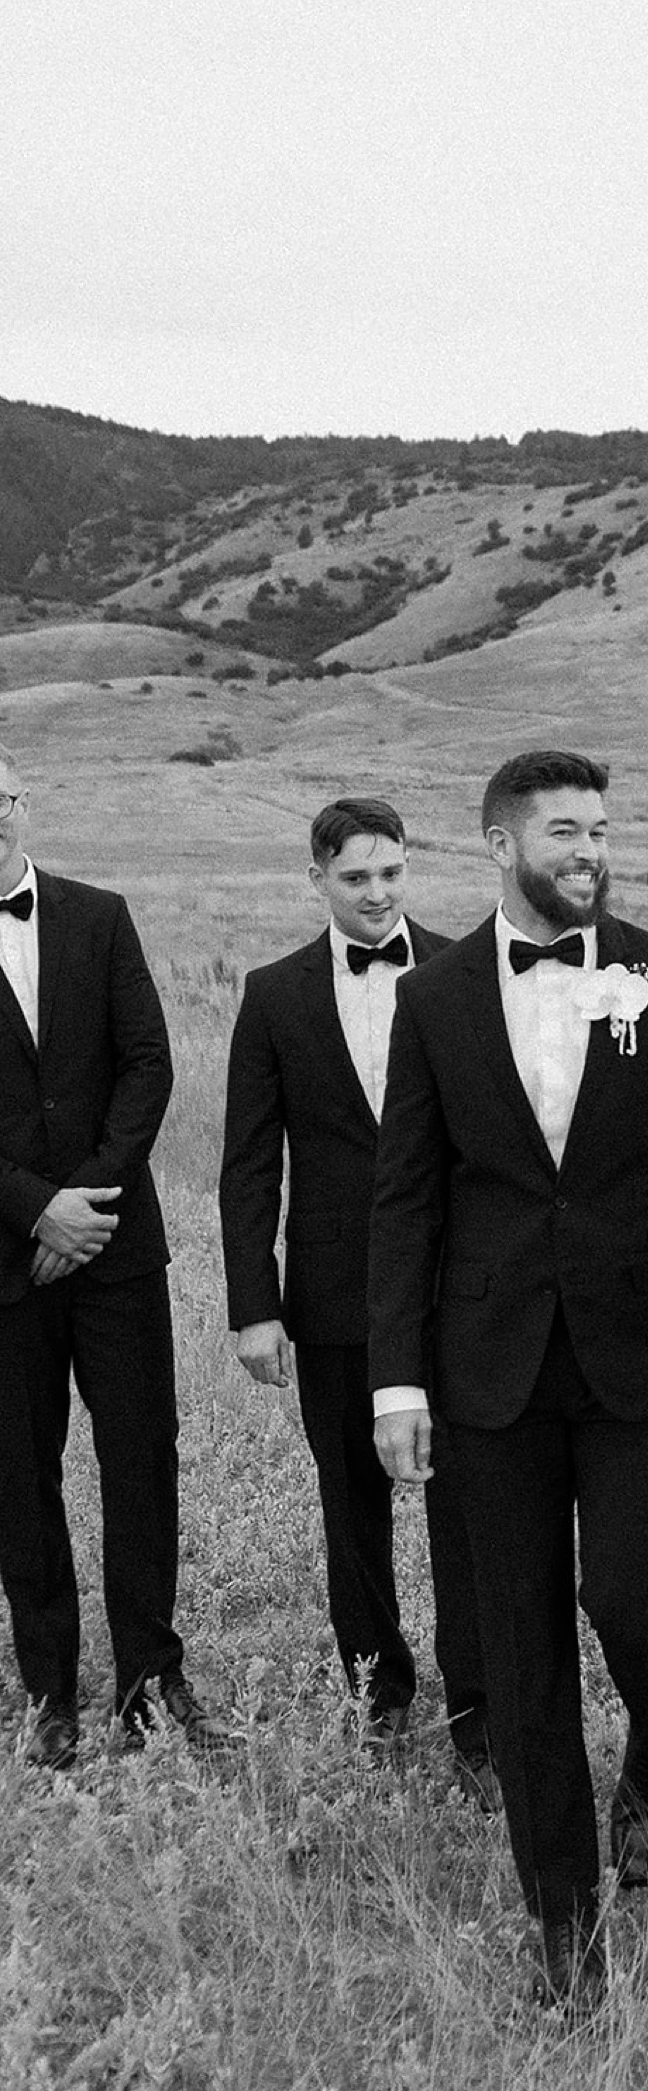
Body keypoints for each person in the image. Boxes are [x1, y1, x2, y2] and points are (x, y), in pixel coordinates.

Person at [366, 750, 648, 2014]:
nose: (588, 849)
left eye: (600, 829)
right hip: (486, 1368)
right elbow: (407, 1200)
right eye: (562, 831)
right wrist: (394, 1386)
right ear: (498, 844)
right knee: (519, 1638)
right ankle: (564, 1917)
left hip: (635, 1355)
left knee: (635, 1598)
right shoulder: (431, 1000)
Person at [218, 797, 490, 1793]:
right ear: (318, 879)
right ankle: (377, 1696)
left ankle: (480, 1715)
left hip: (457, 1295)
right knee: (353, 1508)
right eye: (355, 878)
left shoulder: (468, 970)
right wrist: (256, 1299)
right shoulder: (274, 993)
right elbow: (250, 1163)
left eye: (391, 874)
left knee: (465, 1507)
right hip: (330, 1296)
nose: (376, 895)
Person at [0, 745, 228, 1769]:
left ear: (24, 801)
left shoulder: (101, 914)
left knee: (142, 1459)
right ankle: (48, 1688)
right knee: (18, 1471)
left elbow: (149, 1060)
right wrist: (33, 1210)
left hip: (117, 1248)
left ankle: (151, 1679)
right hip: (6, 1258)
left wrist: (84, 1199)